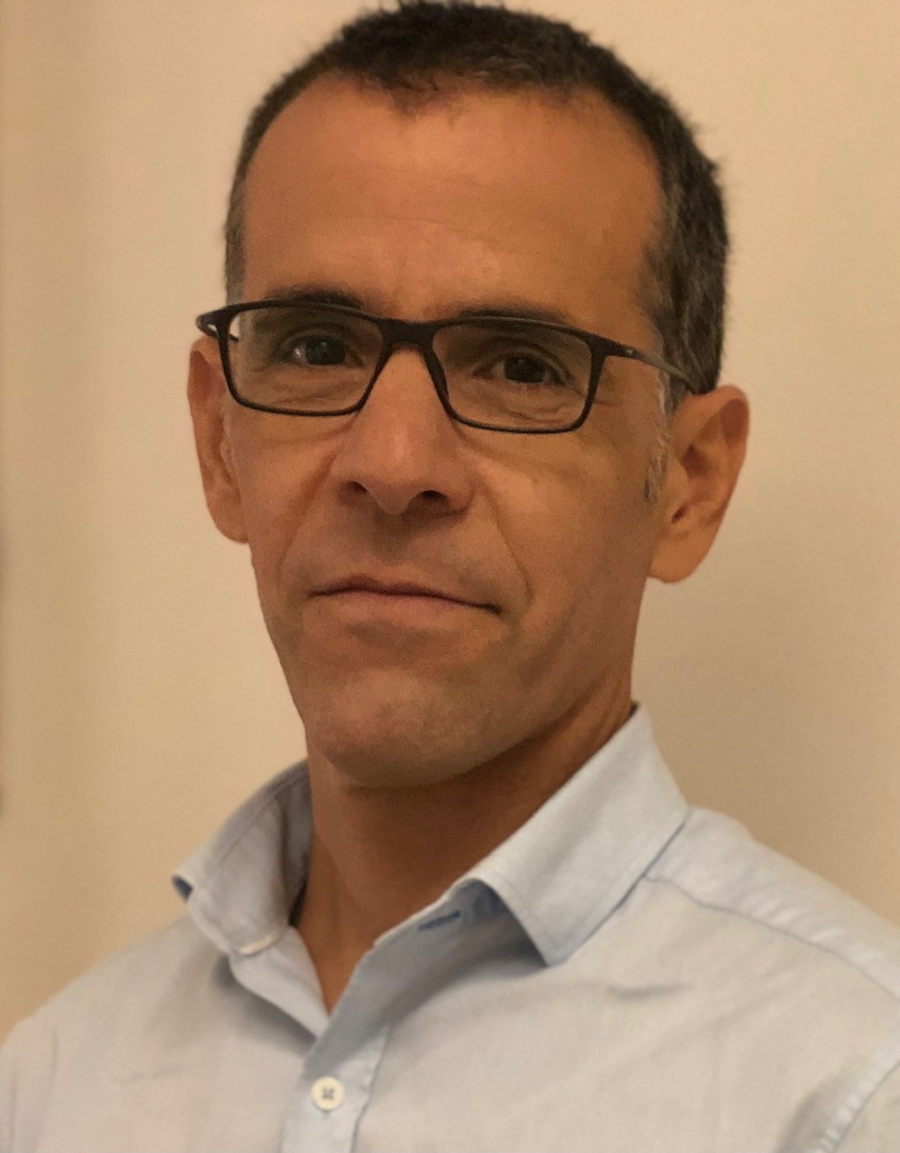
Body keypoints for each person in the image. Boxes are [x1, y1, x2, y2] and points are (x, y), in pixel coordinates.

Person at [3, 2, 900, 1150]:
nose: (391, 465)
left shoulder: (846, 1095)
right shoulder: (55, 1085)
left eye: (521, 367)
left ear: (689, 481)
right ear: (219, 442)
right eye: (317, 347)